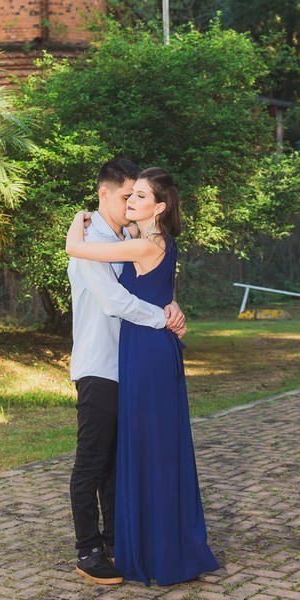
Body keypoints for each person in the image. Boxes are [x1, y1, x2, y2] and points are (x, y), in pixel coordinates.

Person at [66, 167, 220, 587]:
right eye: (126, 196)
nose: (130, 202)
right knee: (94, 460)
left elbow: (154, 277)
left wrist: (172, 304)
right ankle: (89, 550)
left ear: (158, 205)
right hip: (100, 364)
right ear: (104, 195)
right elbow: (116, 301)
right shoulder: (95, 241)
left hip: (132, 364)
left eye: (138, 196)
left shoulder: (130, 238)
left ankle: (121, 542)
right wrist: (164, 315)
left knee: (122, 459)